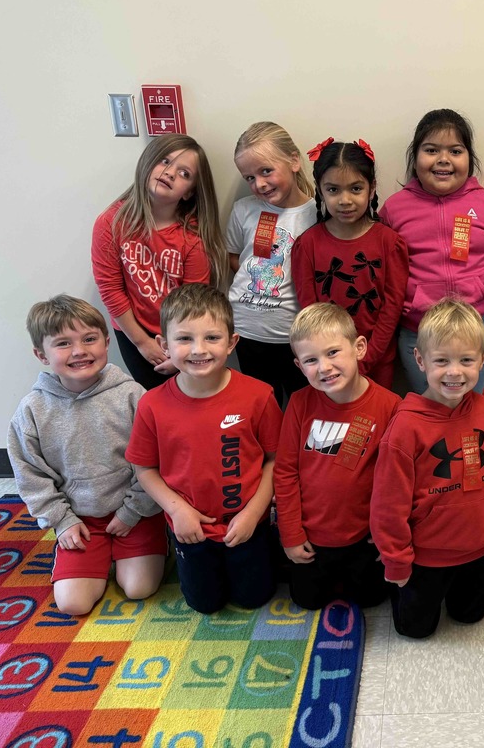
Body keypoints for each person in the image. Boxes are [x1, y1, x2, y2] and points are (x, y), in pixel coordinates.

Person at [127, 284, 282, 614]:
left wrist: (254, 513)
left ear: (232, 343)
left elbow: (275, 460)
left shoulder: (259, 396)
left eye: (212, 337)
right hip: (190, 530)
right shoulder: (152, 405)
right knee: (204, 604)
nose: (199, 349)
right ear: (163, 345)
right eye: (184, 339)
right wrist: (177, 511)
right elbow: (145, 469)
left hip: (248, 524)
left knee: (254, 598)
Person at [7, 295, 166, 615]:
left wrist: (133, 511)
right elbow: (30, 477)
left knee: (138, 589)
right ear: (41, 354)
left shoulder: (133, 395)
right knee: (73, 604)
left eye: (90, 339)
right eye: (63, 343)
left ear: (107, 343)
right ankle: (92, 553)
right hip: (79, 520)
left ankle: (153, 545)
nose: (80, 351)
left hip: (135, 513)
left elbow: (155, 460)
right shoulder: (32, 410)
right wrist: (62, 522)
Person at [370, 298, 484, 638]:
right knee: (415, 631)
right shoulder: (404, 428)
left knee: (470, 617)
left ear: (483, 359)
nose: (454, 372)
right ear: (420, 360)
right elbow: (387, 505)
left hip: (478, 547)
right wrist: (397, 560)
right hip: (425, 557)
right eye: (441, 360)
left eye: (466, 360)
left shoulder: (482, 406)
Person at [380, 109, 484, 393]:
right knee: (428, 405)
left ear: (469, 157)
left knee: (470, 404)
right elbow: (384, 268)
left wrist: (482, 289)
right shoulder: (394, 209)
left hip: (478, 324)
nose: (443, 159)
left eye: (455, 150)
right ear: (415, 156)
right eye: (431, 150)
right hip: (418, 329)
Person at [274, 303, 400, 609]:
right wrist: (290, 534)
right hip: (312, 539)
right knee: (307, 601)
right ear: (299, 366)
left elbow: (398, 479)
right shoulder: (300, 403)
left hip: (365, 538)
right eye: (311, 360)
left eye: (332, 353)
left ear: (358, 348)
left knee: (372, 600)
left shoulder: (391, 405)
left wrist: (389, 534)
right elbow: (285, 471)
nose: (325, 368)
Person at [92, 134, 228, 390]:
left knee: (190, 399)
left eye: (184, 173)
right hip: (133, 332)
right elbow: (110, 288)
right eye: (164, 161)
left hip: (184, 334)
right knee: (154, 400)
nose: (170, 173)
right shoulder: (111, 222)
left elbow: (195, 302)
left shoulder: (193, 238)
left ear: (190, 193)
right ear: (148, 161)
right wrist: (142, 342)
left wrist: (180, 350)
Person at [293, 138, 409, 388]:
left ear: (372, 187)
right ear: (320, 190)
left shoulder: (390, 243)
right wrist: (334, 358)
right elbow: (310, 311)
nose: (345, 200)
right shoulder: (307, 245)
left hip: (377, 360)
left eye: (356, 188)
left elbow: (392, 307)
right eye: (333, 190)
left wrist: (367, 358)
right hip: (327, 365)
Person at [227, 121, 317, 406]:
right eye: (249, 177)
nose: (259, 184)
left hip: (295, 336)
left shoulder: (319, 214)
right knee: (262, 408)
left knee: (302, 408)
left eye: (266, 171)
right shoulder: (244, 209)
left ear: (294, 160)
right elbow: (233, 257)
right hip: (245, 332)